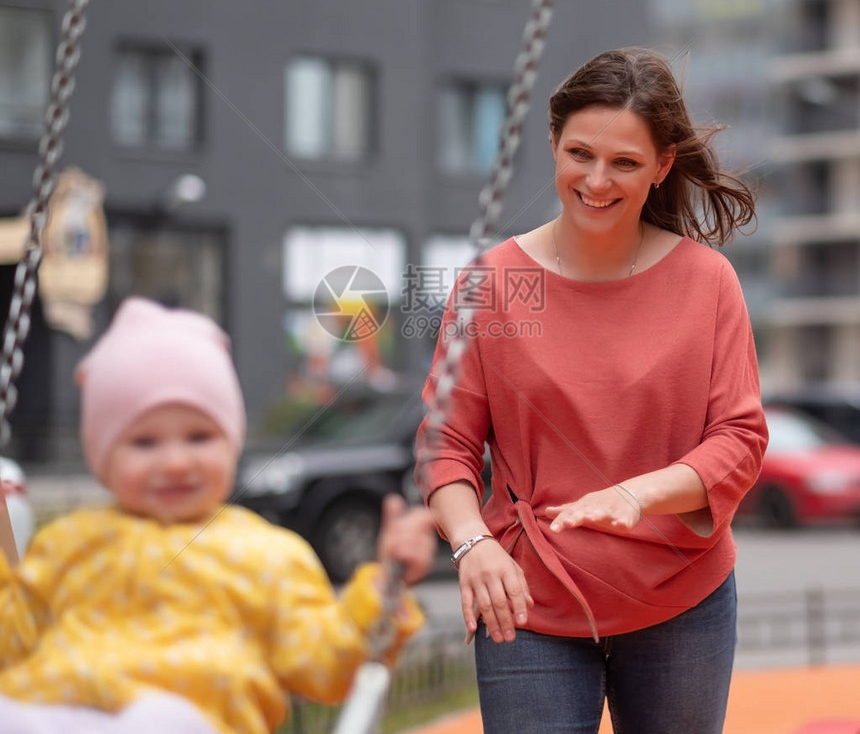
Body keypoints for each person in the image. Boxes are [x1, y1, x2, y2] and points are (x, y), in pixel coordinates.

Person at [415, 47, 768, 734]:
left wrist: (638, 494)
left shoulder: (707, 282)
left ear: (663, 165)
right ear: (552, 141)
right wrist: (470, 544)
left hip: (681, 602)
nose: (597, 181)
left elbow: (740, 438)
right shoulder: (490, 282)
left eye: (626, 163)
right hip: (528, 602)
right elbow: (445, 444)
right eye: (580, 153)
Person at [0, 297, 436, 734]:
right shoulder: (69, 544)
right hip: (53, 711)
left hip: (190, 717)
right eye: (145, 443)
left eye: (199, 437)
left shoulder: (267, 556)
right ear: (101, 458)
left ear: (232, 444)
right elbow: (11, 643)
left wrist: (384, 587)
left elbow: (325, 663)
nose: (174, 462)